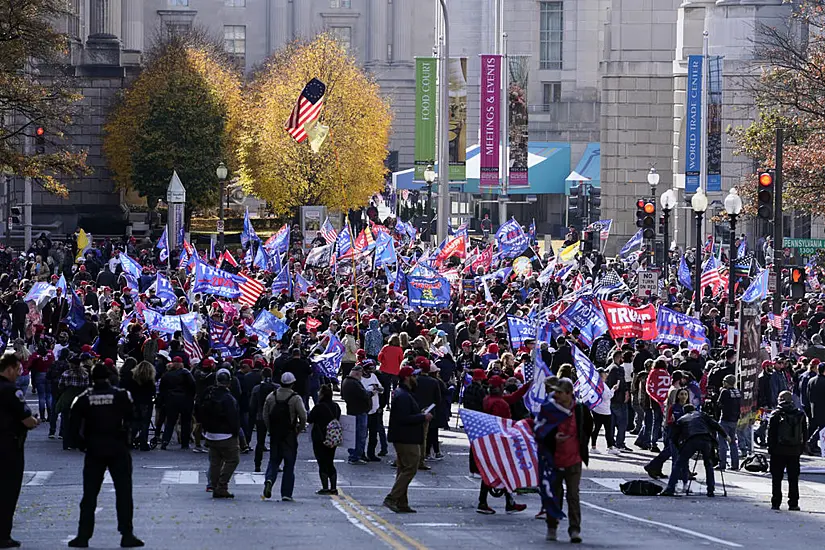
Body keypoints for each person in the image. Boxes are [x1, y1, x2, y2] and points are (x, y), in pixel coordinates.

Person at [67, 363, 143, 548]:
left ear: (91, 378)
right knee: (124, 493)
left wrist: (82, 444)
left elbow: (72, 425)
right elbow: (135, 417)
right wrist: (128, 436)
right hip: (118, 446)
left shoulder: (83, 398)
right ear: (109, 376)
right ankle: (126, 534)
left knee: (90, 494)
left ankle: (83, 536)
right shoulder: (121, 395)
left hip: (94, 448)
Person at [537, 377, 593, 544]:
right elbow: (539, 430)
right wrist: (553, 438)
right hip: (553, 459)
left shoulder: (581, 410)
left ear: (569, 394)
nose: (557, 396)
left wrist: (581, 444)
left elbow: (588, 427)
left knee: (573, 496)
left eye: (560, 393)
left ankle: (574, 529)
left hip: (574, 459)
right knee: (554, 495)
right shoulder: (549, 409)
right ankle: (552, 526)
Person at [0, 351, 40, 549]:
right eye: (17, 369)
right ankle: (3, 534)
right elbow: (28, 420)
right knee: (7, 491)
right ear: (8, 369)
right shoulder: (11, 391)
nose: (19, 373)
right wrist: (35, 421)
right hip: (8, 446)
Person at [384, 365, 432, 513]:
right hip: (406, 438)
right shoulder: (403, 395)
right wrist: (422, 417)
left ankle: (401, 502)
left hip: (404, 436)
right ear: (407, 378)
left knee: (403, 468)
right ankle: (392, 498)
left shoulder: (404, 394)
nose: (415, 378)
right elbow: (403, 418)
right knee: (410, 467)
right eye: (413, 375)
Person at [660, 403, 728, 497]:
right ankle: (710, 489)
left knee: (679, 464)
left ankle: (670, 488)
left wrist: (679, 448)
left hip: (691, 440)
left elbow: (673, 436)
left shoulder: (681, 419)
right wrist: (725, 435)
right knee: (708, 464)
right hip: (706, 439)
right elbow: (715, 424)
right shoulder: (702, 415)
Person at [262, 372, 307, 501]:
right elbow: (303, 416)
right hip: (289, 434)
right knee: (289, 464)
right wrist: (299, 428)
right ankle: (286, 493)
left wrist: (270, 429)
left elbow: (266, 415)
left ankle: (269, 479)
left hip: (276, 433)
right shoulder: (295, 398)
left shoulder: (271, 396)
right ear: (292, 383)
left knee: (274, 460)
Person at [199, 368, 241, 499]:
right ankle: (222, 485)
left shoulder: (209, 394)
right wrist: (236, 432)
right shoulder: (228, 398)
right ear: (229, 383)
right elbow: (233, 417)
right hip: (226, 434)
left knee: (215, 461)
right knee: (233, 459)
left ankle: (215, 485)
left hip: (210, 433)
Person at [768, 391, 807, 511]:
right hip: (794, 451)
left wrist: (771, 449)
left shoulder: (776, 414)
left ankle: (776, 502)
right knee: (793, 478)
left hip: (778, 451)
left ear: (780, 399)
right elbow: (804, 434)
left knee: (776, 478)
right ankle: (793, 503)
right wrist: (801, 448)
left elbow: (771, 435)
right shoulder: (800, 415)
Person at [307, 384, 342, 494]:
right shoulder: (336, 406)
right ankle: (333, 487)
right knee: (330, 461)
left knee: (322, 462)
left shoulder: (318, 407)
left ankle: (325, 487)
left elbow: (310, 419)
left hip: (320, 437)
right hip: (332, 437)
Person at [158, 358, 196, 451]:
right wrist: (191, 396)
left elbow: (162, 389)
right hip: (185, 400)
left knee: (170, 422)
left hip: (171, 400)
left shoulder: (167, 375)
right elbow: (193, 385)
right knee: (186, 422)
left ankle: (165, 441)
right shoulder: (186, 373)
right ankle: (185, 443)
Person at [341, 364, 372, 465]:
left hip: (353, 411)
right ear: (357, 373)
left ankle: (354, 455)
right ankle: (355, 456)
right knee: (360, 435)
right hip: (359, 412)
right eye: (360, 374)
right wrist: (371, 392)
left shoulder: (347, 381)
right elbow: (363, 395)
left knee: (354, 435)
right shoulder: (354, 383)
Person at [248, 367, 277, 473]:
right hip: (274, 418)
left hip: (260, 417)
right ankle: (275, 464)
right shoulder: (276, 388)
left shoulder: (257, 388)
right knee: (275, 442)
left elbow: (252, 405)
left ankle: (257, 464)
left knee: (260, 442)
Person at [360, 360, 385, 462]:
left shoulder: (374, 377)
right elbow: (361, 392)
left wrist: (378, 388)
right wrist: (371, 389)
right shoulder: (360, 379)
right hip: (364, 410)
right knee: (362, 434)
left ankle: (371, 453)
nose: (371, 371)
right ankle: (361, 453)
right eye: (369, 369)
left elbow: (381, 389)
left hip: (375, 409)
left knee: (374, 435)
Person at [716, 374, 741, 470]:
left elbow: (719, 404)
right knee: (733, 442)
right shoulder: (738, 392)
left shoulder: (724, 392)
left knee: (722, 442)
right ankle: (735, 464)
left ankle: (722, 463)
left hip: (725, 419)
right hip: (734, 419)